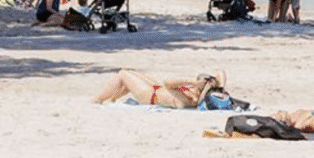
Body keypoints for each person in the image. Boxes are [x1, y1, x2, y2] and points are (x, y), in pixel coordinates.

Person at [92, 69, 227, 109]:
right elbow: (221, 72)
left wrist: (193, 81)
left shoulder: (189, 99)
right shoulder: (196, 95)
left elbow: (168, 82)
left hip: (148, 95)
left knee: (123, 74)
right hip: (155, 88)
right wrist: (219, 87)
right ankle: (109, 99)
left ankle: (97, 100)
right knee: (128, 78)